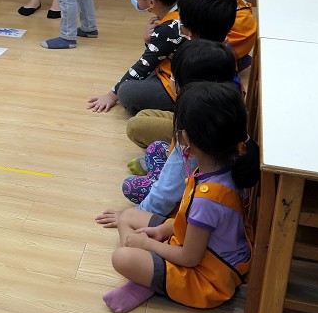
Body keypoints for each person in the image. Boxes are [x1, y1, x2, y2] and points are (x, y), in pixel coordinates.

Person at [101, 82, 260, 313]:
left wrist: (148, 244)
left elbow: (189, 257)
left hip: (207, 279)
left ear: (191, 139)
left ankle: (145, 282)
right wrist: (163, 232)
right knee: (128, 216)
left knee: (122, 257)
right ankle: (149, 274)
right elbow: (193, 223)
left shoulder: (209, 197)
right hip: (199, 244)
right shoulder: (224, 166)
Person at [97, 39, 240, 224]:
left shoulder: (191, 135)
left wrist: (132, 216)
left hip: (182, 201)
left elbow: (164, 195)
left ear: (183, 85)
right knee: (157, 147)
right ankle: (159, 174)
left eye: (173, 75)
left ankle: (156, 177)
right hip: (197, 180)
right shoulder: (228, 106)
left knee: (131, 186)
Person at [124, 0, 239, 149]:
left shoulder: (192, 57)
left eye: (180, 18)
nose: (177, 21)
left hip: (201, 131)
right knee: (143, 115)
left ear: (189, 30)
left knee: (136, 126)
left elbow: (185, 101)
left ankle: (170, 153)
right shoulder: (225, 50)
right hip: (213, 120)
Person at [87, 0, 184, 114]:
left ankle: (179, 108)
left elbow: (144, 64)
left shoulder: (168, 29)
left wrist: (111, 95)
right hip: (183, 72)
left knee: (127, 92)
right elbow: (165, 49)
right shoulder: (180, 11)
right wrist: (149, 41)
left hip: (182, 88)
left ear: (151, 3)